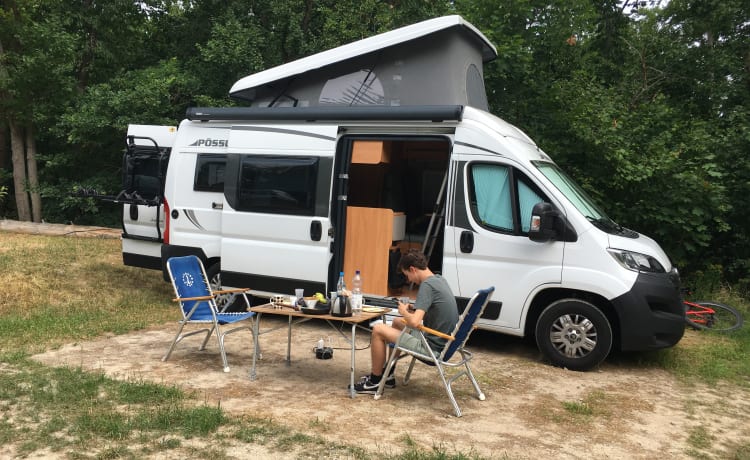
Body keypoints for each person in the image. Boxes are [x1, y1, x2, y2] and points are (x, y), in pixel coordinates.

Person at [352, 249, 458, 394]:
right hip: (442, 341)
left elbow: (414, 322)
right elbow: (434, 307)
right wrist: (414, 308)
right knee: (397, 322)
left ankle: (375, 382)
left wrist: (404, 311)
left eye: (406, 275)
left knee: (378, 329)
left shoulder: (427, 286)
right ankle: (388, 375)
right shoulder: (438, 279)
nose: (408, 280)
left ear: (413, 269)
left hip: (431, 349)